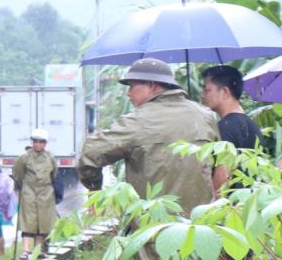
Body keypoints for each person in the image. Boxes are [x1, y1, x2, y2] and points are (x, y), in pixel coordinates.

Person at [78, 57, 220, 214]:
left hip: (153, 227)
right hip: (201, 226)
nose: (128, 93)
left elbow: (90, 153)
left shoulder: (138, 121)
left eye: (132, 85)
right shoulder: (206, 116)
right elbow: (221, 167)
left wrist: (94, 189)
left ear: (152, 85)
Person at [202, 64, 262, 190]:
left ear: (225, 92)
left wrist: (214, 205)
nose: (202, 95)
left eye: (207, 90)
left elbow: (223, 174)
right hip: (250, 203)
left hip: (230, 205)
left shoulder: (225, 127)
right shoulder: (252, 125)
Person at [12, 129, 57, 260]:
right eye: (35, 141)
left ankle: (37, 250)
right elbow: (18, 174)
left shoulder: (50, 158)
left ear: (45, 143)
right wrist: (25, 187)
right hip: (29, 192)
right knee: (27, 221)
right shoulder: (24, 158)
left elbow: (54, 174)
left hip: (45, 193)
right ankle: (26, 250)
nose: (38, 144)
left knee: (42, 222)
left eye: (41, 142)